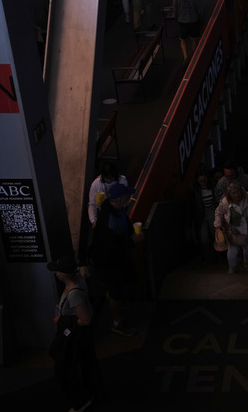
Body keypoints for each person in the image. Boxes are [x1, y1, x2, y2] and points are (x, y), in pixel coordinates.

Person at [88, 184, 145, 336]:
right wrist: (133, 241)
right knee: (116, 292)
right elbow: (111, 247)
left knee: (122, 285)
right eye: (128, 195)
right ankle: (117, 323)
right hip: (108, 264)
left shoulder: (117, 211)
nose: (130, 198)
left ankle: (118, 302)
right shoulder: (108, 218)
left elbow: (123, 230)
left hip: (118, 260)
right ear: (120, 199)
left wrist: (133, 233)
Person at [48, 255, 102, 412]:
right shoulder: (78, 280)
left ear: (63, 275)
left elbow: (85, 320)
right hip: (80, 336)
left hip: (77, 337)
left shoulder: (74, 294)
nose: (55, 274)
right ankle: (91, 393)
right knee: (85, 365)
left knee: (63, 370)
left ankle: (81, 401)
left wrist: (62, 320)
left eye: (57, 271)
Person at [214, 181, 248, 274]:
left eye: (238, 191)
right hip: (232, 230)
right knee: (233, 252)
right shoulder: (225, 201)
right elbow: (218, 213)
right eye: (233, 193)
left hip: (247, 228)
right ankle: (232, 267)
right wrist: (219, 225)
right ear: (229, 194)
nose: (237, 194)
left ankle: (247, 264)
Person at [172, 0, 203, 66]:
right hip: (194, 20)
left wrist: (177, 17)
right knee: (194, 39)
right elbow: (200, 9)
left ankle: (185, 57)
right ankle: (194, 56)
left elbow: (175, 9)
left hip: (182, 21)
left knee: (183, 40)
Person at [87, 162, 129, 228]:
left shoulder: (122, 182)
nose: (109, 180)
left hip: (117, 214)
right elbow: (92, 204)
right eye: (107, 178)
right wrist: (93, 220)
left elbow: (124, 202)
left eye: (111, 178)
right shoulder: (96, 184)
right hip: (102, 214)